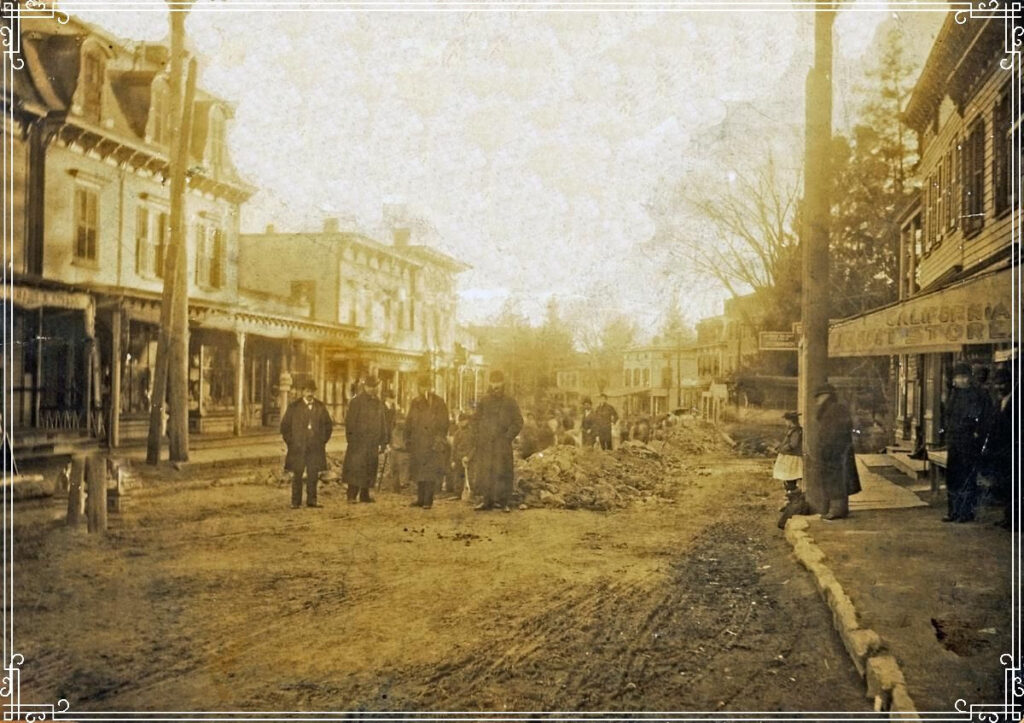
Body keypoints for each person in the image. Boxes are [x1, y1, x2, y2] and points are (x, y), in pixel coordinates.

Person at [943, 362, 992, 522]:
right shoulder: (953, 395)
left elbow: (983, 420)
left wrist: (978, 437)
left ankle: (966, 512)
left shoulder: (977, 395)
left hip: (969, 443)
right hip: (954, 442)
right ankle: (953, 512)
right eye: (958, 377)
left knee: (967, 477)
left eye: (964, 377)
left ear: (969, 378)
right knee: (952, 477)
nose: (961, 380)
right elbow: (948, 417)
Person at [471, 370, 524, 512]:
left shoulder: (510, 401)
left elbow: (518, 422)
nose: (496, 386)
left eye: (498, 382)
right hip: (486, 444)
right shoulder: (484, 401)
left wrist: (508, 436)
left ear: (503, 383)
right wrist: (479, 436)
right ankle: (486, 501)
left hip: (502, 444)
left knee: (503, 472)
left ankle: (503, 502)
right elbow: (475, 420)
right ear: (490, 383)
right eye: (493, 382)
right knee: (486, 472)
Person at [280, 378, 334, 509]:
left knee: (313, 474)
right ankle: (295, 502)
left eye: (312, 391)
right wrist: (292, 443)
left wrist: (322, 441)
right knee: (297, 474)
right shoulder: (294, 407)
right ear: (302, 392)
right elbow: (285, 427)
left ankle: (312, 500)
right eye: (308, 391)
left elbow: (328, 426)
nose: (310, 394)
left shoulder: (320, 407)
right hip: (298, 448)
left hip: (315, 447)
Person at [812, 383, 861, 520]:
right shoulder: (834, 409)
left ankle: (837, 510)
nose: (817, 400)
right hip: (837, 450)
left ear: (826, 395)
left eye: (819, 396)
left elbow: (833, 433)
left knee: (836, 480)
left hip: (836, 451)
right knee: (836, 479)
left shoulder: (834, 410)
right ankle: (838, 508)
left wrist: (827, 448)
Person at [405, 374, 450, 509]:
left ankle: (428, 500)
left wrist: (439, 439)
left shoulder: (439, 402)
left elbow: (444, 423)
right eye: (422, 386)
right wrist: (407, 438)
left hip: (432, 443)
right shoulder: (415, 402)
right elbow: (409, 421)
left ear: (431, 387)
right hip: (418, 442)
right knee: (419, 471)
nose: (424, 389)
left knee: (429, 472)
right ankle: (420, 498)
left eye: (427, 386)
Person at [342, 376, 389, 503]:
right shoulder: (356, 402)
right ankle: (351, 495)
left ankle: (365, 494)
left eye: (375, 386)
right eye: (371, 386)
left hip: (372, 442)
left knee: (370, 468)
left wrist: (383, 441)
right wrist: (352, 440)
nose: (374, 389)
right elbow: (350, 423)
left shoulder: (378, 403)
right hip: (358, 443)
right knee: (356, 468)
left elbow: (382, 422)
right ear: (365, 387)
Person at [983, 367, 1015, 529]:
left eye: (1003, 384)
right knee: (1005, 486)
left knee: (1015, 486)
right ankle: (1008, 517)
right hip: (1000, 453)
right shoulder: (998, 402)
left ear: (1011, 383)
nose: (1000, 387)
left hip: (1014, 451)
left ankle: (1016, 520)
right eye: (997, 384)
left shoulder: (1017, 402)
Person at [772, 411, 804, 511]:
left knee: (790, 480)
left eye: (786, 420)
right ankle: (790, 502)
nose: (786, 423)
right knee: (787, 481)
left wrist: (782, 448)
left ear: (790, 421)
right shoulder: (792, 431)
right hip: (788, 457)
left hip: (792, 458)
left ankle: (792, 503)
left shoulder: (796, 431)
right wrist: (779, 446)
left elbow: (793, 445)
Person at [450, 413, 473, 500]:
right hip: (458, 457)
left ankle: (471, 493)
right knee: (458, 476)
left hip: (469, 458)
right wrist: (453, 460)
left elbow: (474, 447)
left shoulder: (472, 433)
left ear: (467, 421)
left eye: (464, 421)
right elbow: (454, 447)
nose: (462, 423)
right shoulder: (457, 433)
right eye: (460, 421)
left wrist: (469, 457)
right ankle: (457, 494)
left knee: (470, 477)